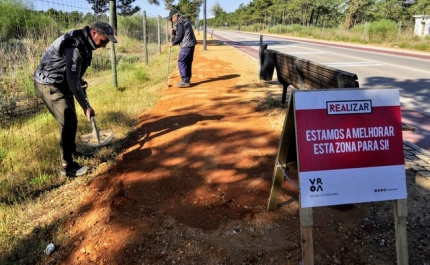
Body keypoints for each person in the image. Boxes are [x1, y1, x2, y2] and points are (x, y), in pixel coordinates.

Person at [33, 21, 117, 177]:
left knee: (71, 120)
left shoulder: (87, 43)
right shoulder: (75, 45)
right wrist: (86, 106)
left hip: (62, 83)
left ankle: (72, 152)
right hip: (49, 84)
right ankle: (67, 166)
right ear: (94, 33)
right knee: (69, 120)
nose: (105, 45)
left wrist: (80, 82)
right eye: (104, 40)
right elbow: (72, 79)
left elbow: (75, 74)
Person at [168, 10, 198, 88]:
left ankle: (185, 81)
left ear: (175, 16)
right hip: (191, 44)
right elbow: (182, 33)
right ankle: (187, 79)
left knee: (181, 61)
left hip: (186, 45)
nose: (172, 21)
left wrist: (173, 43)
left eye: (171, 19)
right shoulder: (184, 20)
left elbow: (180, 37)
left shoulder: (180, 23)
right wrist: (174, 32)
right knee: (187, 62)